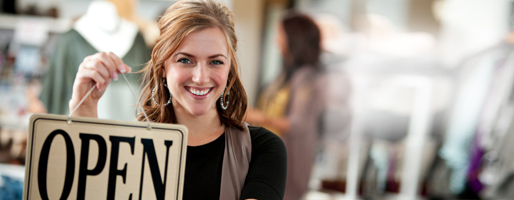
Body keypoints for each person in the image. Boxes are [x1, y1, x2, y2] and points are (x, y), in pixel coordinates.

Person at [68, 0, 287, 199]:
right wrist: (84, 108)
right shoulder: (127, 148)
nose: (200, 77)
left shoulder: (261, 149)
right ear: (163, 66)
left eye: (216, 62)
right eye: (185, 60)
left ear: (230, 67)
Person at [246, 11, 328, 200]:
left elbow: (298, 124)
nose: (276, 40)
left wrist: (259, 117)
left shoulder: (306, 77)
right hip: (267, 156)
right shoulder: (283, 75)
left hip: (289, 164)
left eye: (280, 34)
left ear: (293, 38)